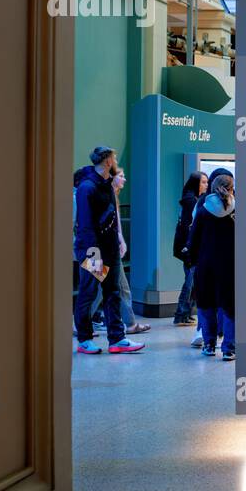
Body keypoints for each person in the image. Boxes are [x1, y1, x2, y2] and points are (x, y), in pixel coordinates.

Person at [72, 147, 146, 355]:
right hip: (92, 250)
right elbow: (85, 225)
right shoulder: (88, 187)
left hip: (109, 249)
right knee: (89, 293)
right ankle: (84, 339)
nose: (115, 161)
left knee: (112, 292)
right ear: (106, 161)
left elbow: (112, 218)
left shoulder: (106, 185)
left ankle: (117, 338)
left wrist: (118, 241)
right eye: (112, 158)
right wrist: (93, 253)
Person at [188, 172, 237, 361]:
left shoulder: (203, 210)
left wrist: (192, 261)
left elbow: (193, 240)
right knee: (230, 306)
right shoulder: (237, 210)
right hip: (230, 264)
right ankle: (229, 348)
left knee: (206, 304)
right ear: (231, 188)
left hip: (206, 264)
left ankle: (209, 345)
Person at [173, 170, 207, 343]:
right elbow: (190, 227)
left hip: (186, 246)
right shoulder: (191, 201)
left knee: (191, 279)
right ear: (195, 183)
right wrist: (190, 247)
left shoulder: (191, 200)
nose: (206, 185)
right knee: (191, 280)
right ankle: (181, 314)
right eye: (203, 182)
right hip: (188, 247)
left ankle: (184, 314)